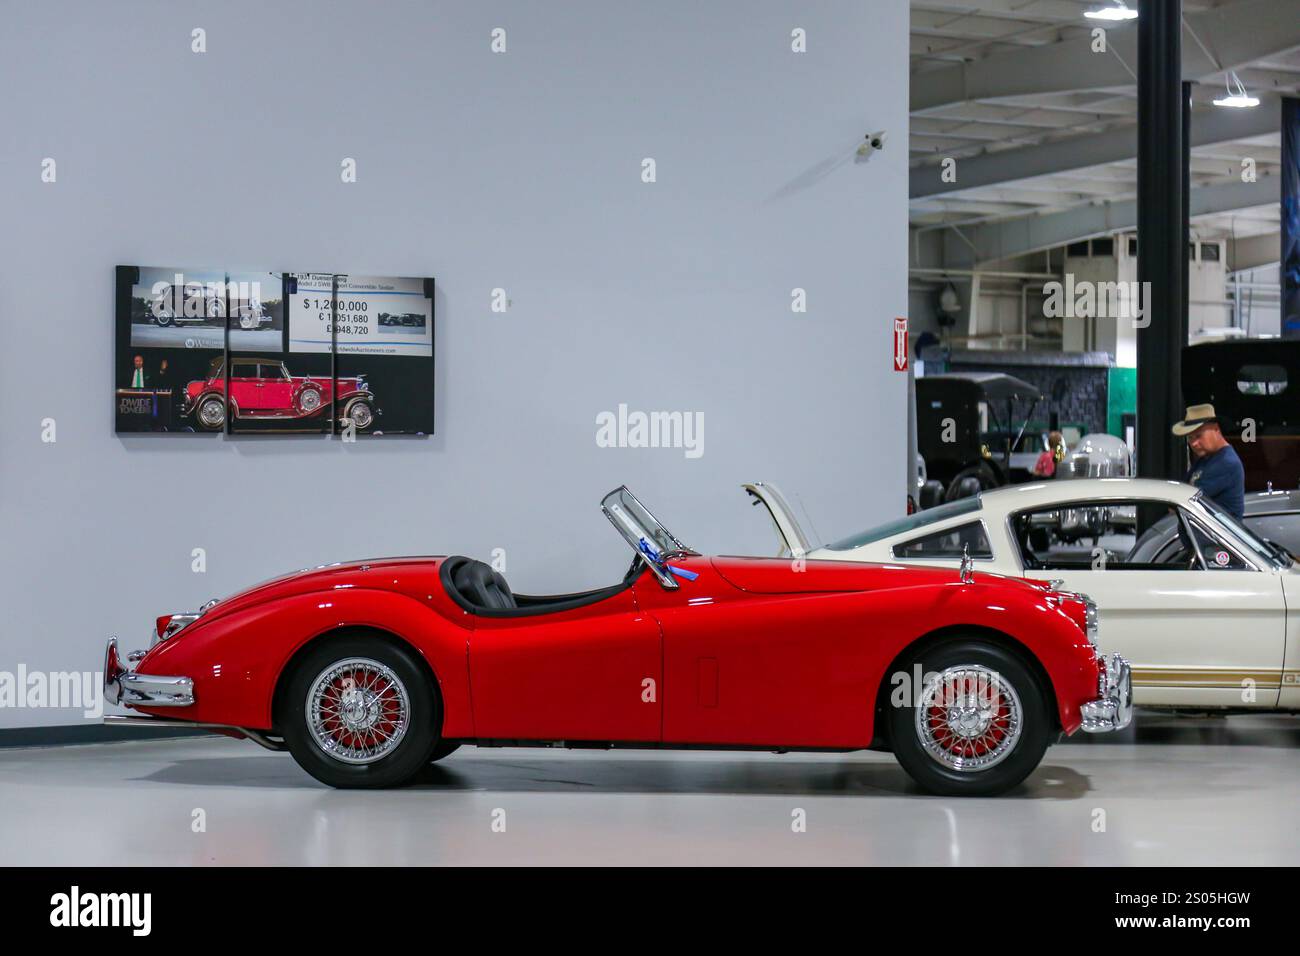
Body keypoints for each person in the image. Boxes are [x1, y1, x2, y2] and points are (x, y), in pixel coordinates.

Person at [1172, 403, 1245, 518]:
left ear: (1216, 429)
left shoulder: (1225, 463)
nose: (1194, 443)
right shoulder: (1205, 460)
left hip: (1214, 535)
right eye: (1190, 438)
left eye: (1198, 436)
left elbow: (1181, 503)